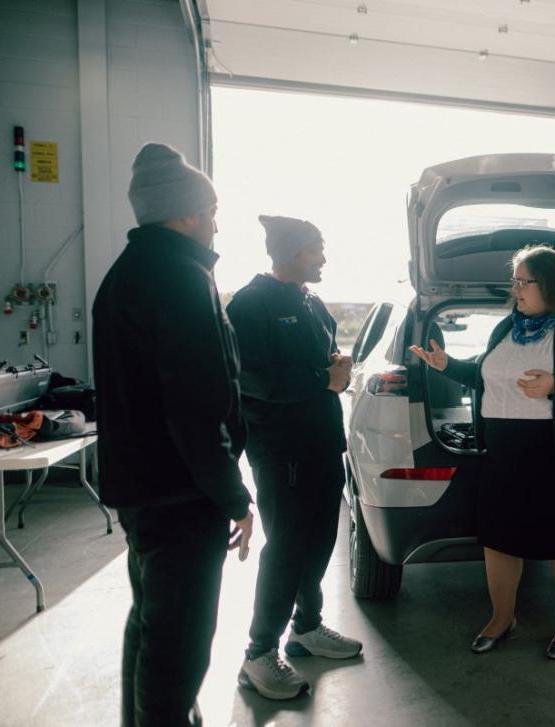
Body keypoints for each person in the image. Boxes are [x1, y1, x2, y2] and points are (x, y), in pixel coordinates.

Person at [93, 142, 254, 727]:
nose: (216, 223)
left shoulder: (123, 276)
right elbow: (195, 408)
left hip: (144, 492)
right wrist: (233, 496)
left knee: (151, 625)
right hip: (182, 494)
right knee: (179, 649)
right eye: (211, 211)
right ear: (186, 213)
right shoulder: (182, 279)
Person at [410, 245, 555, 660]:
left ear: (552, 283)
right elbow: (486, 374)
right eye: (515, 281)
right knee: (500, 539)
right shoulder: (508, 327)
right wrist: (446, 364)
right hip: (504, 450)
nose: (516, 289)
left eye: (525, 281)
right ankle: (502, 617)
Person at [227, 216, 361, 700]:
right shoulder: (250, 304)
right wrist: (321, 380)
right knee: (286, 548)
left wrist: (338, 366)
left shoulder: (310, 301)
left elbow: (321, 358)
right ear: (286, 252)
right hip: (280, 448)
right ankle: (258, 653)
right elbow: (250, 380)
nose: (322, 258)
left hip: (323, 441)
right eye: (314, 250)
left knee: (320, 539)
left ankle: (306, 628)